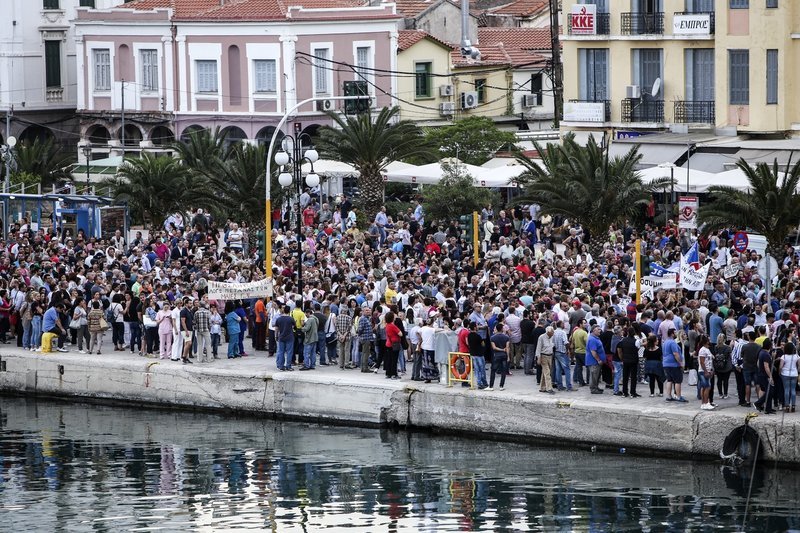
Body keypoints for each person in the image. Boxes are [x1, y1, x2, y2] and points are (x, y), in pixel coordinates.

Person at [662, 328, 687, 403]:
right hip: (673, 364)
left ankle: (669, 396)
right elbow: (675, 354)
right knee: (677, 381)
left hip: (666, 363)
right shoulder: (672, 343)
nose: (676, 333)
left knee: (669, 380)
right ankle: (679, 397)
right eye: (675, 332)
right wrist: (680, 363)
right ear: (672, 334)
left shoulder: (665, 342)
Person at [753, 338, 777, 414]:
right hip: (765, 376)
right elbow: (766, 367)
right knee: (770, 391)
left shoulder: (761, 352)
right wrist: (770, 377)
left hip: (761, 374)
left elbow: (758, 363)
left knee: (768, 391)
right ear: (769, 346)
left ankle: (768, 408)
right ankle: (758, 403)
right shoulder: (766, 354)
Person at [618, 327, 640, 398]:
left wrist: (622, 358)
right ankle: (632, 392)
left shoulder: (623, 340)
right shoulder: (636, 341)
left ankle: (625, 392)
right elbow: (638, 348)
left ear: (627, 333)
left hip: (625, 360)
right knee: (633, 377)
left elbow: (620, 349)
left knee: (625, 376)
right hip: (633, 360)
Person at [488, 322, 510, 391]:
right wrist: (508, 356)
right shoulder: (506, 337)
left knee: (493, 370)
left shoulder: (492, 338)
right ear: (502, 329)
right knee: (503, 371)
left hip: (496, 355)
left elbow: (494, 347)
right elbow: (508, 347)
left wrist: (501, 350)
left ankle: (491, 386)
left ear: (496, 329)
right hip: (504, 356)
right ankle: (501, 386)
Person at [779, 342, 799, 413]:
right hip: (794, 374)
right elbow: (799, 366)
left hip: (785, 374)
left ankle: (787, 406)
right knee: (793, 390)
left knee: (786, 390)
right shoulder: (796, 356)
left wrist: (779, 372)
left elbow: (781, 366)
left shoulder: (783, 357)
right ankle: (793, 406)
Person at [274, 305, 295, 371]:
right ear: (289, 311)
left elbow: (276, 329)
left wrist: (276, 336)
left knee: (281, 352)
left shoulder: (279, 319)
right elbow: (293, 326)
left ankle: (281, 366)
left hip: (281, 337)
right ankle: (288, 366)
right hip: (289, 337)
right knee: (289, 352)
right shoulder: (291, 319)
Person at [535, 326, 555, 394]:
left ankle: (542, 387)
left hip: (550, 356)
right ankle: (549, 388)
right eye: (552, 332)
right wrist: (538, 358)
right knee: (547, 373)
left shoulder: (552, 337)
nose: (553, 333)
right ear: (548, 332)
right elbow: (538, 348)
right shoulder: (541, 337)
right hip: (544, 356)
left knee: (545, 373)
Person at [713, 333, 734, 400]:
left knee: (719, 380)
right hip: (726, 367)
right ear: (725, 339)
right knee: (726, 380)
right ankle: (725, 394)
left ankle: (720, 394)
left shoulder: (716, 347)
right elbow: (731, 357)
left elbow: (715, 356)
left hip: (718, 366)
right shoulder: (728, 348)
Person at [585, 324, 605, 394]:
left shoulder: (595, 337)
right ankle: (593, 389)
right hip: (593, 361)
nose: (600, 330)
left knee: (596, 376)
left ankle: (596, 387)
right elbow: (593, 351)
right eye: (598, 329)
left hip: (596, 361)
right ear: (594, 330)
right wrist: (598, 360)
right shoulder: (592, 339)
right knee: (594, 375)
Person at [697, 335, 714, 410]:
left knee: (705, 387)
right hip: (703, 371)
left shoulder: (707, 349)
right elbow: (702, 362)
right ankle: (706, 402)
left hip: (707, 370)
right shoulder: (703, 350)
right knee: (707, 387)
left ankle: (704, 403)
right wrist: (706, 371)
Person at [384, 311, 402, 380]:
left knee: (389, 359)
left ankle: (388, 373)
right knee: (394, 359)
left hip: (388, 343)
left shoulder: (387, 325)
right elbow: (400, 333)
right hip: (394, 344)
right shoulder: (393, 326)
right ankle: (394, 374)